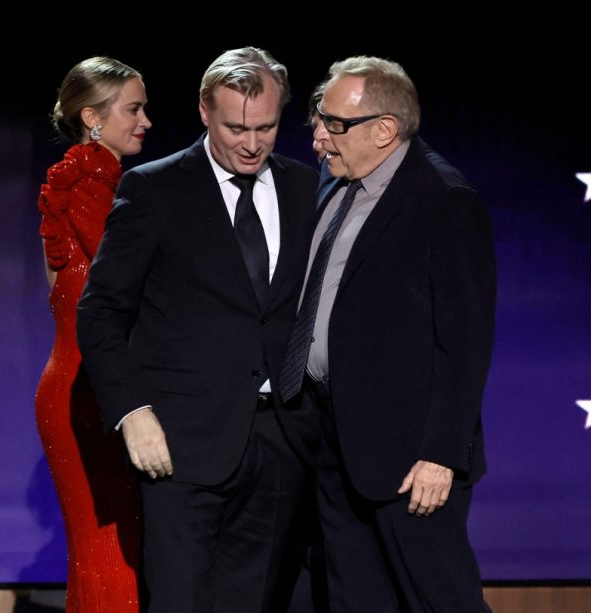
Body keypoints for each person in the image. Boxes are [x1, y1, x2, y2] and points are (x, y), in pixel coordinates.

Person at [77, 47, 318, 612]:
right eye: (236, 127)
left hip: (282, 444)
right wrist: (132, 413)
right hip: (181, 445)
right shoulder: (153, 189)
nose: (252, 143)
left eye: (267, 126)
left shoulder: (308, 189)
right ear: (205, 112)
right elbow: (101, 312)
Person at [277, 56, 495, 612]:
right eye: (318, 118)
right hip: (332, 440)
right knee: (356, 601)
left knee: (437, 599)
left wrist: (440, 455)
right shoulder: (335, 185)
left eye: (335, 124)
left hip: (410, 460)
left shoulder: (443, 201)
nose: (320, 137)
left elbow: (464, 343)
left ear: (384, 129)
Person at [35, 56, 151, 612]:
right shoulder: (86, 183)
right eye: (134, 108)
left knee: (100, 552)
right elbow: (137, 292)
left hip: (81, 385)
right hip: (90, 391)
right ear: (92, 117)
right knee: (109, 554)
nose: (146, 120)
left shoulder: (83, 180)